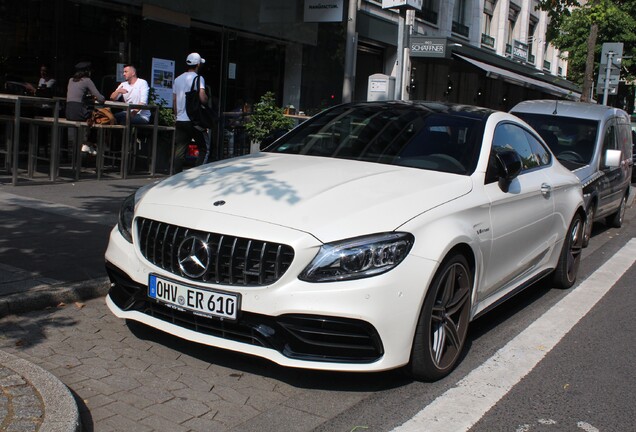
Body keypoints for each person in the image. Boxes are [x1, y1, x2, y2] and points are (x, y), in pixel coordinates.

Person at [172, 52, 210, 172]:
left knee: (180, 151)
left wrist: (177, 115)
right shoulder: (198, 78)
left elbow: (174, 100)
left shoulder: (177, 79)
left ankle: (175, 176)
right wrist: (207, 100)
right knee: (205, 148)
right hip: (194, 121)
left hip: (181, 120)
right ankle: (196, 174)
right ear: (198, 64)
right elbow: (202, 98)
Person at [66, 61, 105, 154]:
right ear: (87, 72)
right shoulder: (87, 80)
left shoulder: (71, 80)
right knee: (98, 118)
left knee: (90, 116)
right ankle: (88, 143)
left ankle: (88, 145)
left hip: (68, 112)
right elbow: (100, 98)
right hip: (78, 111)